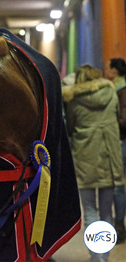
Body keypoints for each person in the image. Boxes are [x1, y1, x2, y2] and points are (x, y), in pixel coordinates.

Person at [63, 64, 124, 262]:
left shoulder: (74, 100)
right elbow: (116, 120)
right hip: (109, 158)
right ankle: (104, 258)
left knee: (90, 211)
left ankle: (95, 257)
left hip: (85, 159)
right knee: (107, 212)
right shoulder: (111, 94)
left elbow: (71, 128)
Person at [104, 57, 126, 244]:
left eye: (108, 68)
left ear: (115, 71)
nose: (106, 71)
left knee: (117, 185)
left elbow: (123, 118)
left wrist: (109, 124)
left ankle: (119, 225)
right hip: (120, 140)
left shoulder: (120, 90)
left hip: (120, 141)